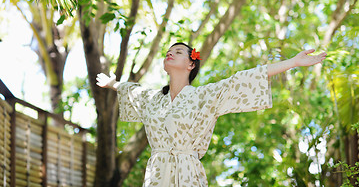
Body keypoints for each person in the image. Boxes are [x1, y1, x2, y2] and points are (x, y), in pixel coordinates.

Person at [96, 42, 327, 187]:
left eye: (178, 51)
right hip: (157, 173)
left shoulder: (206, 95)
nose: (170, 53)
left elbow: (243, 79)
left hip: (188, 173)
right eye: (168, 52)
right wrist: (113, 84)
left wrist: (293, 62)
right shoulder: (153, 99)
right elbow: (132, 91)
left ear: (190, 65)